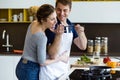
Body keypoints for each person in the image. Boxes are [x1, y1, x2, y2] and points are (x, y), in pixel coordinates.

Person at [15, 4, 68, 80]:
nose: (56, 21)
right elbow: (42, 62)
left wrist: (50, 28)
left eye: (55, 18)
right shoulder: (42, 37)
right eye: (52, 19)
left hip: (21, 66)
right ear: (43, 20)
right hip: (30, 70)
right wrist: (60, 58)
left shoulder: (33, 23)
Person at [39, 0, 87, 80]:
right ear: (55, 9)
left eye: (65, 10)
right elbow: (52, 55)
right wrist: (58, 36)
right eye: (59, 10)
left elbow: (83, 46)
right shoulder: (51, 25)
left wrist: (81, 33)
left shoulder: (70, 25)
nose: (61, 13)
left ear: (70, 11)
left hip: (63, 72)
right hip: (49, 73)